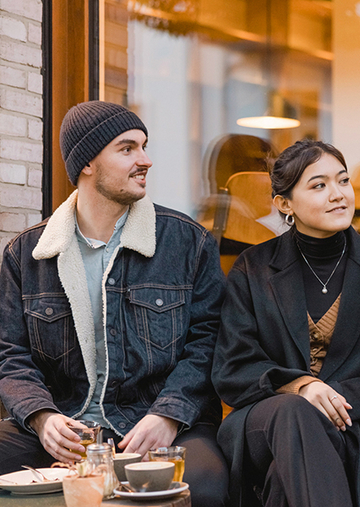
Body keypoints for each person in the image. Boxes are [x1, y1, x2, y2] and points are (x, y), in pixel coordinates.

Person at [0, 101, 228, 506]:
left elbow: (209, 342)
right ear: (87, 163)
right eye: (127, 149)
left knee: (204, 485)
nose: (145, 160)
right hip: (66, 428)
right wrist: (41, 416)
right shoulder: (28, 254)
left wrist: (168, 415)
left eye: (144, 146)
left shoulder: (187, 243)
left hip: (160, 423)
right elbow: (10, 354)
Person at [212, 139, 360, 507]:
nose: (338, 195)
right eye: (319, 185)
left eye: (343, 181)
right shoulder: (253, 268)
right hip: (263, 422)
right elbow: (233, 369)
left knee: (285, 479)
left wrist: (331, 400)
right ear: (284, 204)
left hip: (352, 424)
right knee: (295, 412)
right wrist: (300, 386)